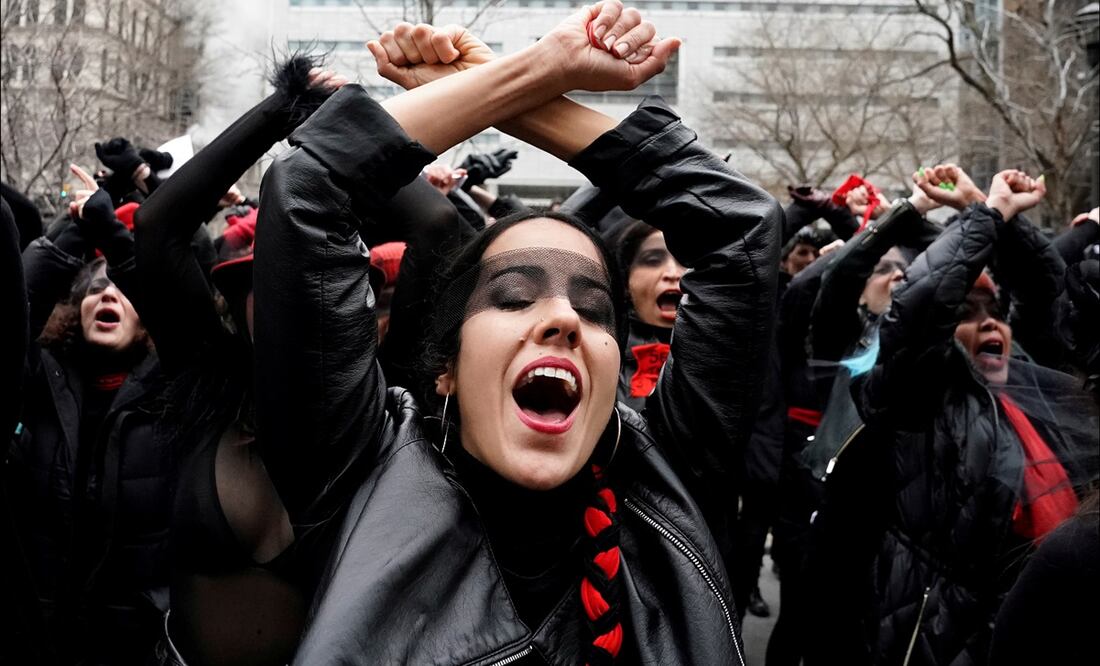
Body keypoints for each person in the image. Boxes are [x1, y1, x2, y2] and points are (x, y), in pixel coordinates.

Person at [260, 4, 779, 662]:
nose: (562, 318)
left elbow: (739, 230)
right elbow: (307, 192)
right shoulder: (358, 470)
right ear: (444, 367)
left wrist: (513, 87)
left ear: (614, 366)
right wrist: (535, 70)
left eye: (593, 310)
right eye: (512, 297)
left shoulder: (666, 470)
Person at [833, 164, 1098, 665]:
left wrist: (998, 215)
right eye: (967, 312)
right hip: (944, 637)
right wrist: (986, 215)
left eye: (993, 309)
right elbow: (921, 305)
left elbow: (1050, 294)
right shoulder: (917, 403)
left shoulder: (1037, 392)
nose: (989, 321)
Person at [7, 165, 169, 664]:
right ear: (75, 309)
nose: (106, 294)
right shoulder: (37, 379)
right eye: (94, 289)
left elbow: (177, 308)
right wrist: (76, 228)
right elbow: (17, 307)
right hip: (33, 636)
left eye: (120, 289)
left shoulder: (174, 393)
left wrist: (119, 242)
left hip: (130, 645)